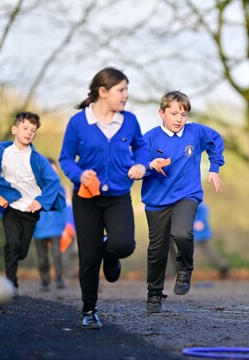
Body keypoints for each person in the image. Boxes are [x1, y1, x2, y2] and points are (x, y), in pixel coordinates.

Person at [59, 66, 148, 329]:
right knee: (88, 256)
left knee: (123, 245)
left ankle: (110, 255)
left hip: (119, 195)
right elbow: (66, 158)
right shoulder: (78, 123)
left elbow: (141, 147)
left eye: (126, 90)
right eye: (121, 90)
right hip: (86, 198)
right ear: (103, 91)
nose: (126, 95)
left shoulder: (129, 121)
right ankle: (89, 309)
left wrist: (141, 165)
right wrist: (78, 175)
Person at [141, 90, 225, 314]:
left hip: (186, 195)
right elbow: (134, 166)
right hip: (157, 201)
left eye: (184, 114)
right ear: (161, 113)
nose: (179, 119)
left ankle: (185, 268)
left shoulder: (195, 133)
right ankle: (154, 294)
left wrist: (215, 169)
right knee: (157, 250)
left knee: (182, 234)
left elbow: (216, 141)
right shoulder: (148, 139)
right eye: (174, 113)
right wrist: (150, 166)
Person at [0, 111, 65, 296]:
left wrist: (41, 201)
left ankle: (15, 261)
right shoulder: (3, 155)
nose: (29, 133)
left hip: (30, 210)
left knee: (21, 251)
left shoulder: (38, 159)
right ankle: (11, 285)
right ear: (14, 129)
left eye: (33, 131)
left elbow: (53, 182)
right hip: (10, 208)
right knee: (11, 244)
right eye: (25, 128)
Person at [33, 158, 69, 291]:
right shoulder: (34, 187)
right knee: (42, 257)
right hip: (39, 227)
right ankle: (45, 280)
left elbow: (63, 208)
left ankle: (59, 278)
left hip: (56, 227)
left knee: (57, 254)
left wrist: (65, 226)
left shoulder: (60, 188)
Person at [168, 202, 230, 279]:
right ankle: (222, 264)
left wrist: (199, 221)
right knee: (208, 251)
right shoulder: (190, 201)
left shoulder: (195, 202)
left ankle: (188, 274)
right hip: (199, 233)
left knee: (192, 253)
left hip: (196, 233)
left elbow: (203, 211)